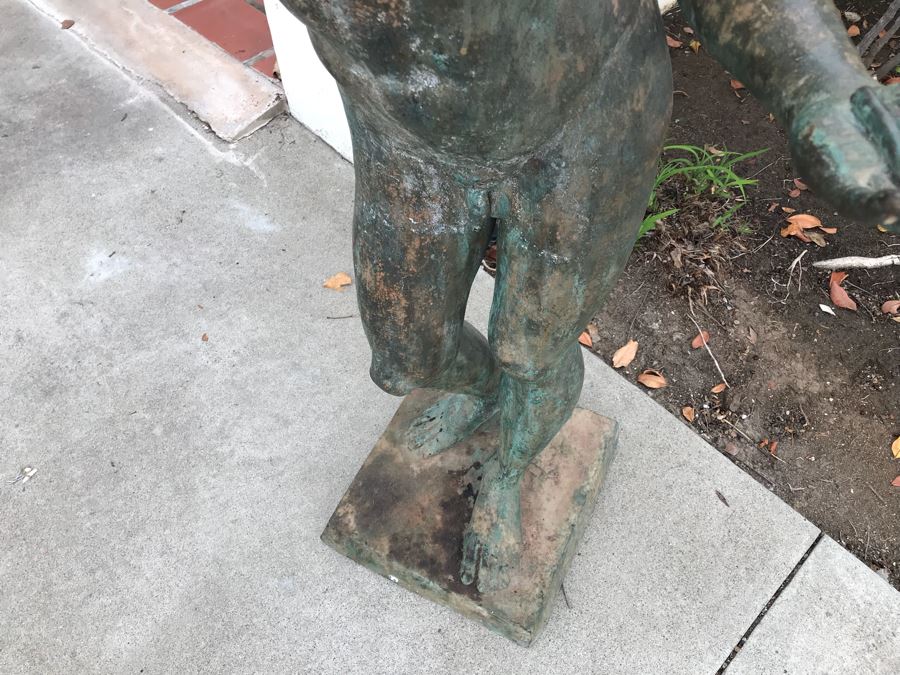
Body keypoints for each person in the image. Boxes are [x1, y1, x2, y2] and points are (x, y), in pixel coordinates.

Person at [280, 0, 900, 592]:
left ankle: (511, 466)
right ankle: (488, 394)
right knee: (405, 357)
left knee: (531, 350)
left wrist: (819, 83)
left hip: (582, 118)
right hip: (406, 135)